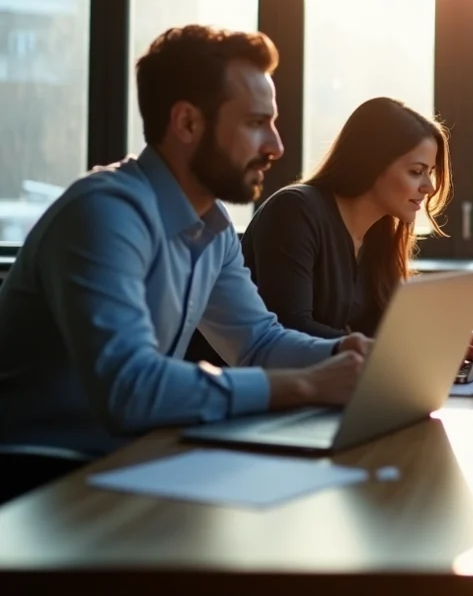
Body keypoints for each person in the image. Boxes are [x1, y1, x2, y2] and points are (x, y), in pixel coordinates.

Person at [0, 25, 369, 457]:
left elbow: (257, 343)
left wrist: (343, 352)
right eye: (256, 123)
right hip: (37, 480)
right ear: (187, 122)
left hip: (123, 462)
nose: (276, 146)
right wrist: (307, 384)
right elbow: (130, 389)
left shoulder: (211, 225)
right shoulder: (104, 213)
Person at [239, 98, 452, 340]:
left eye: (430, 172)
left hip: (335, 376)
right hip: (243, 376)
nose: (430, 187)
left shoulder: (380, 233)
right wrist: (387, 354)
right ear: (372, 164)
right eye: (416, 172)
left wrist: (443, 340)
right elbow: (291, 329)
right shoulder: (294, 211)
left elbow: (383, 331)